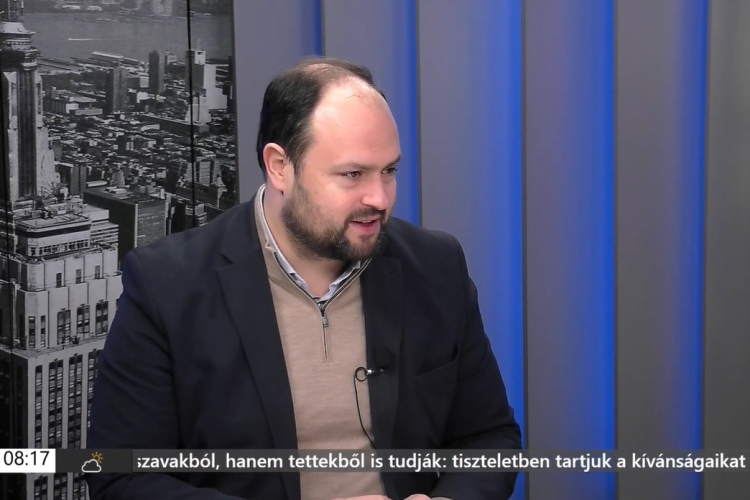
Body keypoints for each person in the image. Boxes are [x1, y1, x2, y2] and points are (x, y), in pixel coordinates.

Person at [86, 57, 521, 500]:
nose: (379, 198)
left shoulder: (435, 265)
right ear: (280, 166)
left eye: (389, 171)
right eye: (352, 174)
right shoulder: (167, 285)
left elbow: (488, 437)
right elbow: (120, 476)